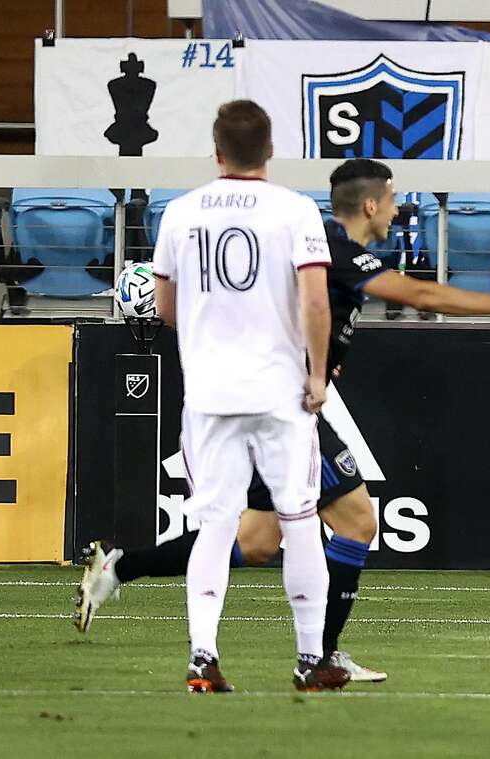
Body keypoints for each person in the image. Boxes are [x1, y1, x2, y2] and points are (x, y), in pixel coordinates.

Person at [75, 158, 490, 680]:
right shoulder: (334, 252)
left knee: (259, 541)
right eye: (394, 199)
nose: (399, 210)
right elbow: (420, 295)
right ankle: (321, 656)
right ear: (371, 204)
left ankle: (119, 567)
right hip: (280, 406)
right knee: (356, 521)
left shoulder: (326, 249)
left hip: (274, 400)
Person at [147, 99, 348, 693]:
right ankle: (312, 658)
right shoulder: (294, 210)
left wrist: (215, 339)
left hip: (209, 391)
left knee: (214, 522)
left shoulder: (179, 213)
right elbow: (316, 301)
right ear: (270, 150)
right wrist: (315, 375)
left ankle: (202, 657)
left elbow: (164, 306)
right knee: (299, 517)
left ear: (216, 151)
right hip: (278, 390)